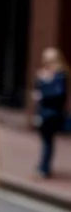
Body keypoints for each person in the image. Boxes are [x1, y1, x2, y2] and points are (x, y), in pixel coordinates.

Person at [33, 47, 68, 179]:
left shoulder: (60, 75)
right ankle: (43, 166)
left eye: (50, 60)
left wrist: (45, 86)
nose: (47, 63)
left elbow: (58, 94)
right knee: (46, 141)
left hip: (53, 114)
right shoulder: (44, 73)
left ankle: (44, 168)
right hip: (43, 113)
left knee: (48, 141)